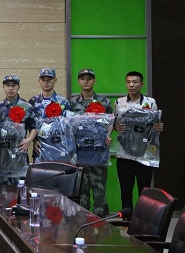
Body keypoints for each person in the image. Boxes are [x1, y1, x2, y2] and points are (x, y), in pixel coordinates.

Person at [114, 71, 163, 210]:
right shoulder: (119, 102)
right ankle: (127, 218)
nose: (131, 85)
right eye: (128, 82)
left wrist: (159, 127)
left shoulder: (150, 102)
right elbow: (115, 124)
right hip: (124, 153)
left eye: (135, 82)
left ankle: (144, 218)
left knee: (145, 190)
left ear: (142, 84)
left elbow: (155, 125)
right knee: (125, 190)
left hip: (144, 154)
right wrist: (116, 128)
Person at [70, 68, 113, 217]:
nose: (86, 81)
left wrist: (108, 136)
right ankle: (83, 222)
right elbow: (69, 125)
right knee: (81, 191)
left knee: (99, 190)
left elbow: (110, 123)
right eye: (83, 79)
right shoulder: (72, 102)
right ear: (78, 82)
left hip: (98, 154)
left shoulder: (104, 102)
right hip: (80, 154)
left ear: (94, 81)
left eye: (89, 79)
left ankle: (100, 223)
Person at [0, 75, 36, 185]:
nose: (10, 88)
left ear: (18, 87)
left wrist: (29, 140)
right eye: (7, 85)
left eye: (13, 85)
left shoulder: (26, 106)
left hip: (20, 153)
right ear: (3, 87)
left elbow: (34, 126)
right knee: (2, 189)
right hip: (3, 154)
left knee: (21, 188)